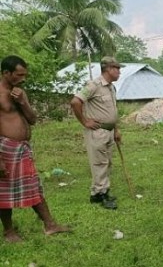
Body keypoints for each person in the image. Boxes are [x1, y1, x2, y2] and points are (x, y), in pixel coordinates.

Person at [0, 55, 70, 242]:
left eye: (24, 75)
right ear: (6, 73)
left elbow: (32, 119)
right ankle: (9, 232)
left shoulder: (20, 93)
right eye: (18, 75)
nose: (23, 79)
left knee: (33, 185)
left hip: (23, 148)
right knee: (3, 189)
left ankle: (50, 225)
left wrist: (23, 101)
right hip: (5, 148)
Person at [70, 56, 123, 210]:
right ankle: (101, 195)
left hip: (109, 130)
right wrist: (85, 121)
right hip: (97, 131)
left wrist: (116, 129)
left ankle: (98, 192)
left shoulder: (111, 87)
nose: (119, 72)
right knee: (99, 163)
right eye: (117, 68)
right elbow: (75, 102)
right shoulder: (94, 85)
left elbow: (113, 110)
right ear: (108, 69)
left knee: (106, 163)